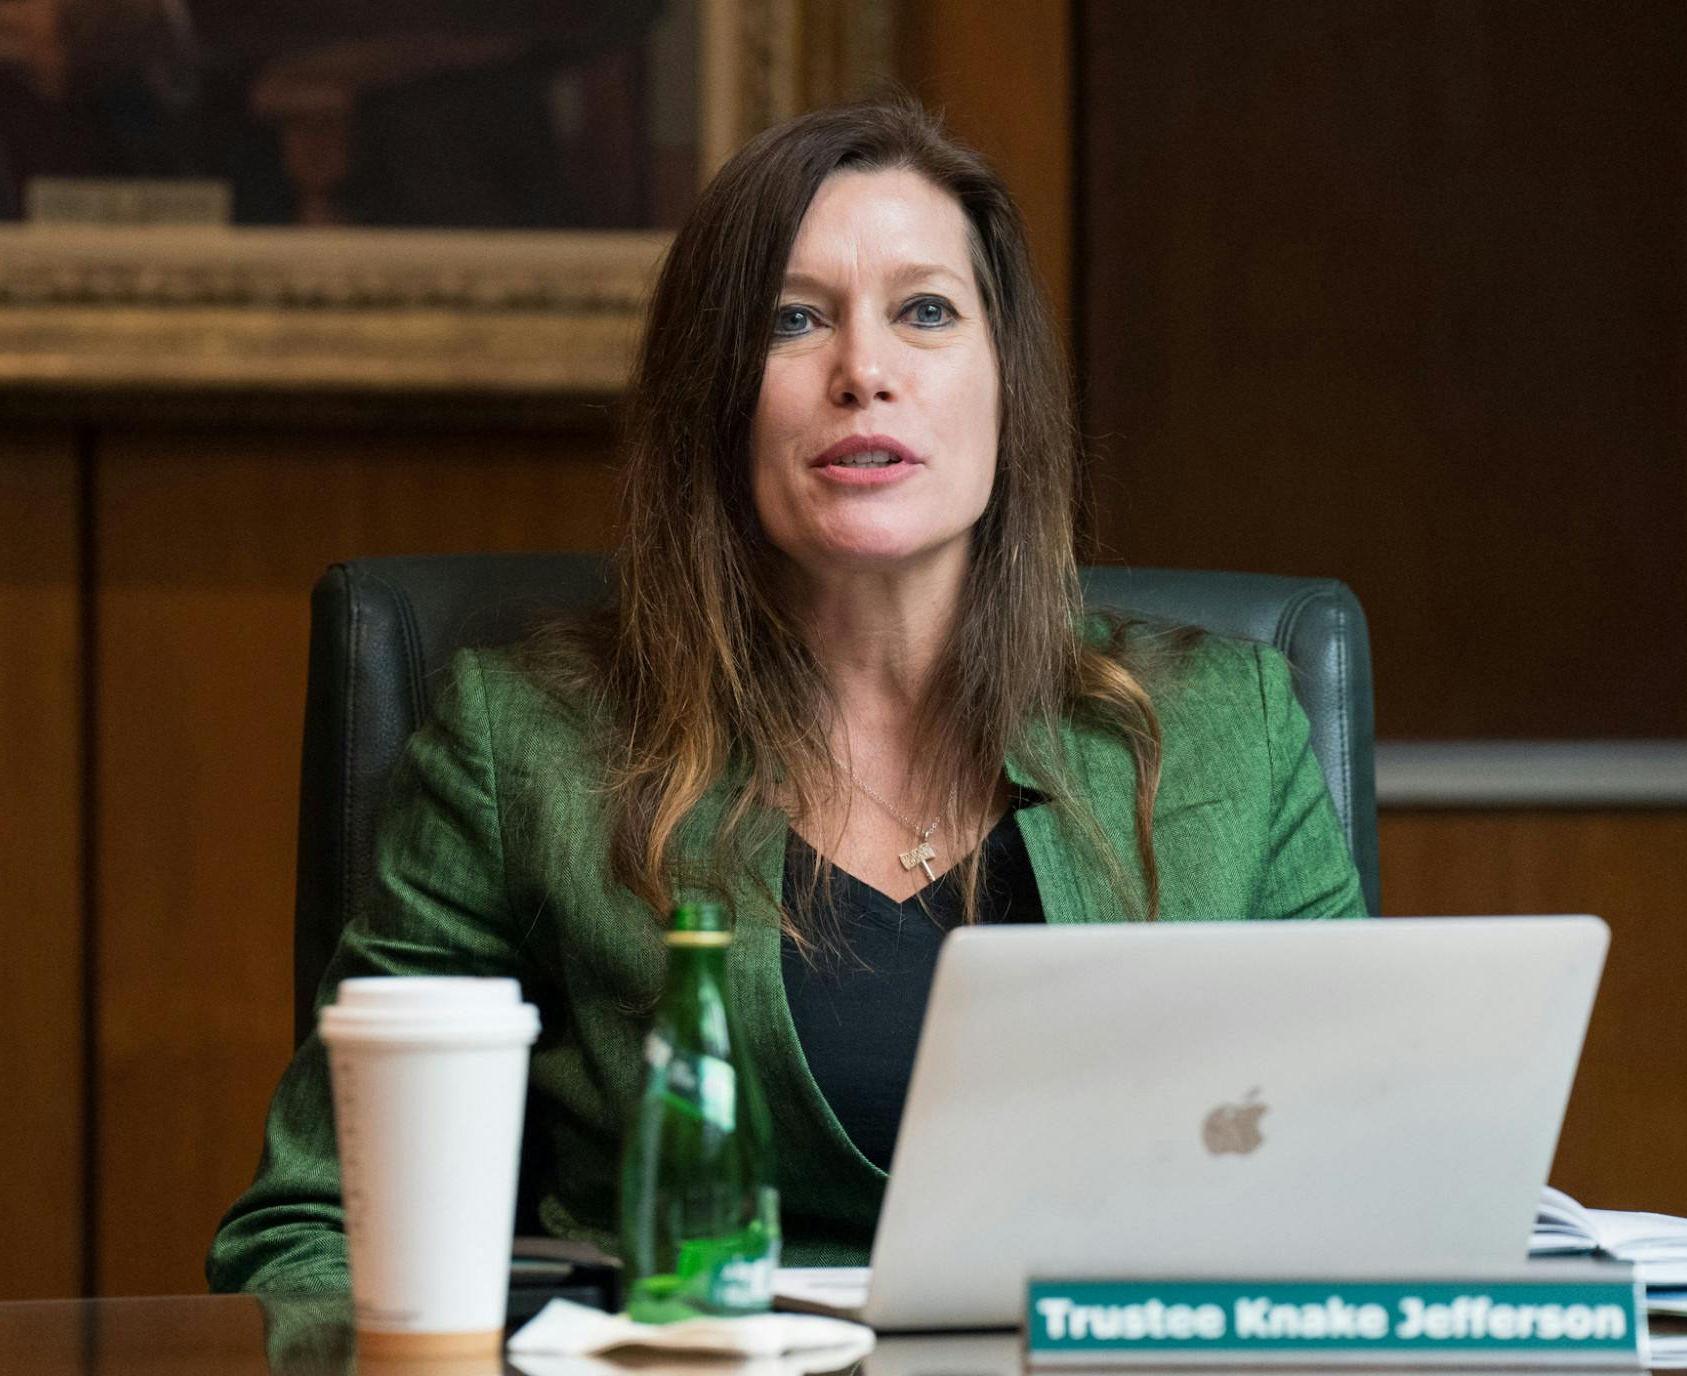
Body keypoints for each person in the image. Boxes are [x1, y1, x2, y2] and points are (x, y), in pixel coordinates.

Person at [207, 98, 1364, 1292]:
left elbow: (1371, 1174)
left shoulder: (1230, 725)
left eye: (925, 312)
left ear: (1004, 384)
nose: (864, 371)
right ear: (716, 398)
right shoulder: (526, 741)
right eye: (792, 320)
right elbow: (314, 1230)